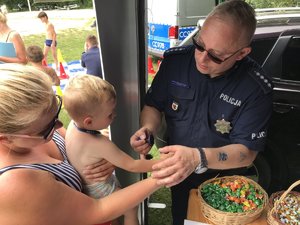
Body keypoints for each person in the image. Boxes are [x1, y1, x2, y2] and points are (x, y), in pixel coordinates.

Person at [130, 1, 274, 225]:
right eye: (199, 44)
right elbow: (153, 105)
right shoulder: (176, 62)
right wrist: (147, 129)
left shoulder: (255, 88)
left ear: (241, 53)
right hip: (179, 171)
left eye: (216, 56)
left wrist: (198, 157)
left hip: (223, 180)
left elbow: (247, 152)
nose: (201, 58)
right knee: (181, 218)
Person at [0, 63, 164, 225]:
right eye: (47, 127)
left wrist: (106, 159)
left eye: (56, 111)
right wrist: (166, 172)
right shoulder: (13, 184)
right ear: (5, 138)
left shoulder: (49, 130)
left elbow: (81, 149)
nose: (59, 125)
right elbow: (96, 210)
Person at [63, 74, 166, 225]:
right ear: (89, 121)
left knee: (113, 216)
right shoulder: (99, 143)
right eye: (110, 114)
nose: (115, 115)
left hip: (87, 187)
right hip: (100, 188)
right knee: (130, 207)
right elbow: (132, 165)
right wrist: (164, 162)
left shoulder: (73, 127)